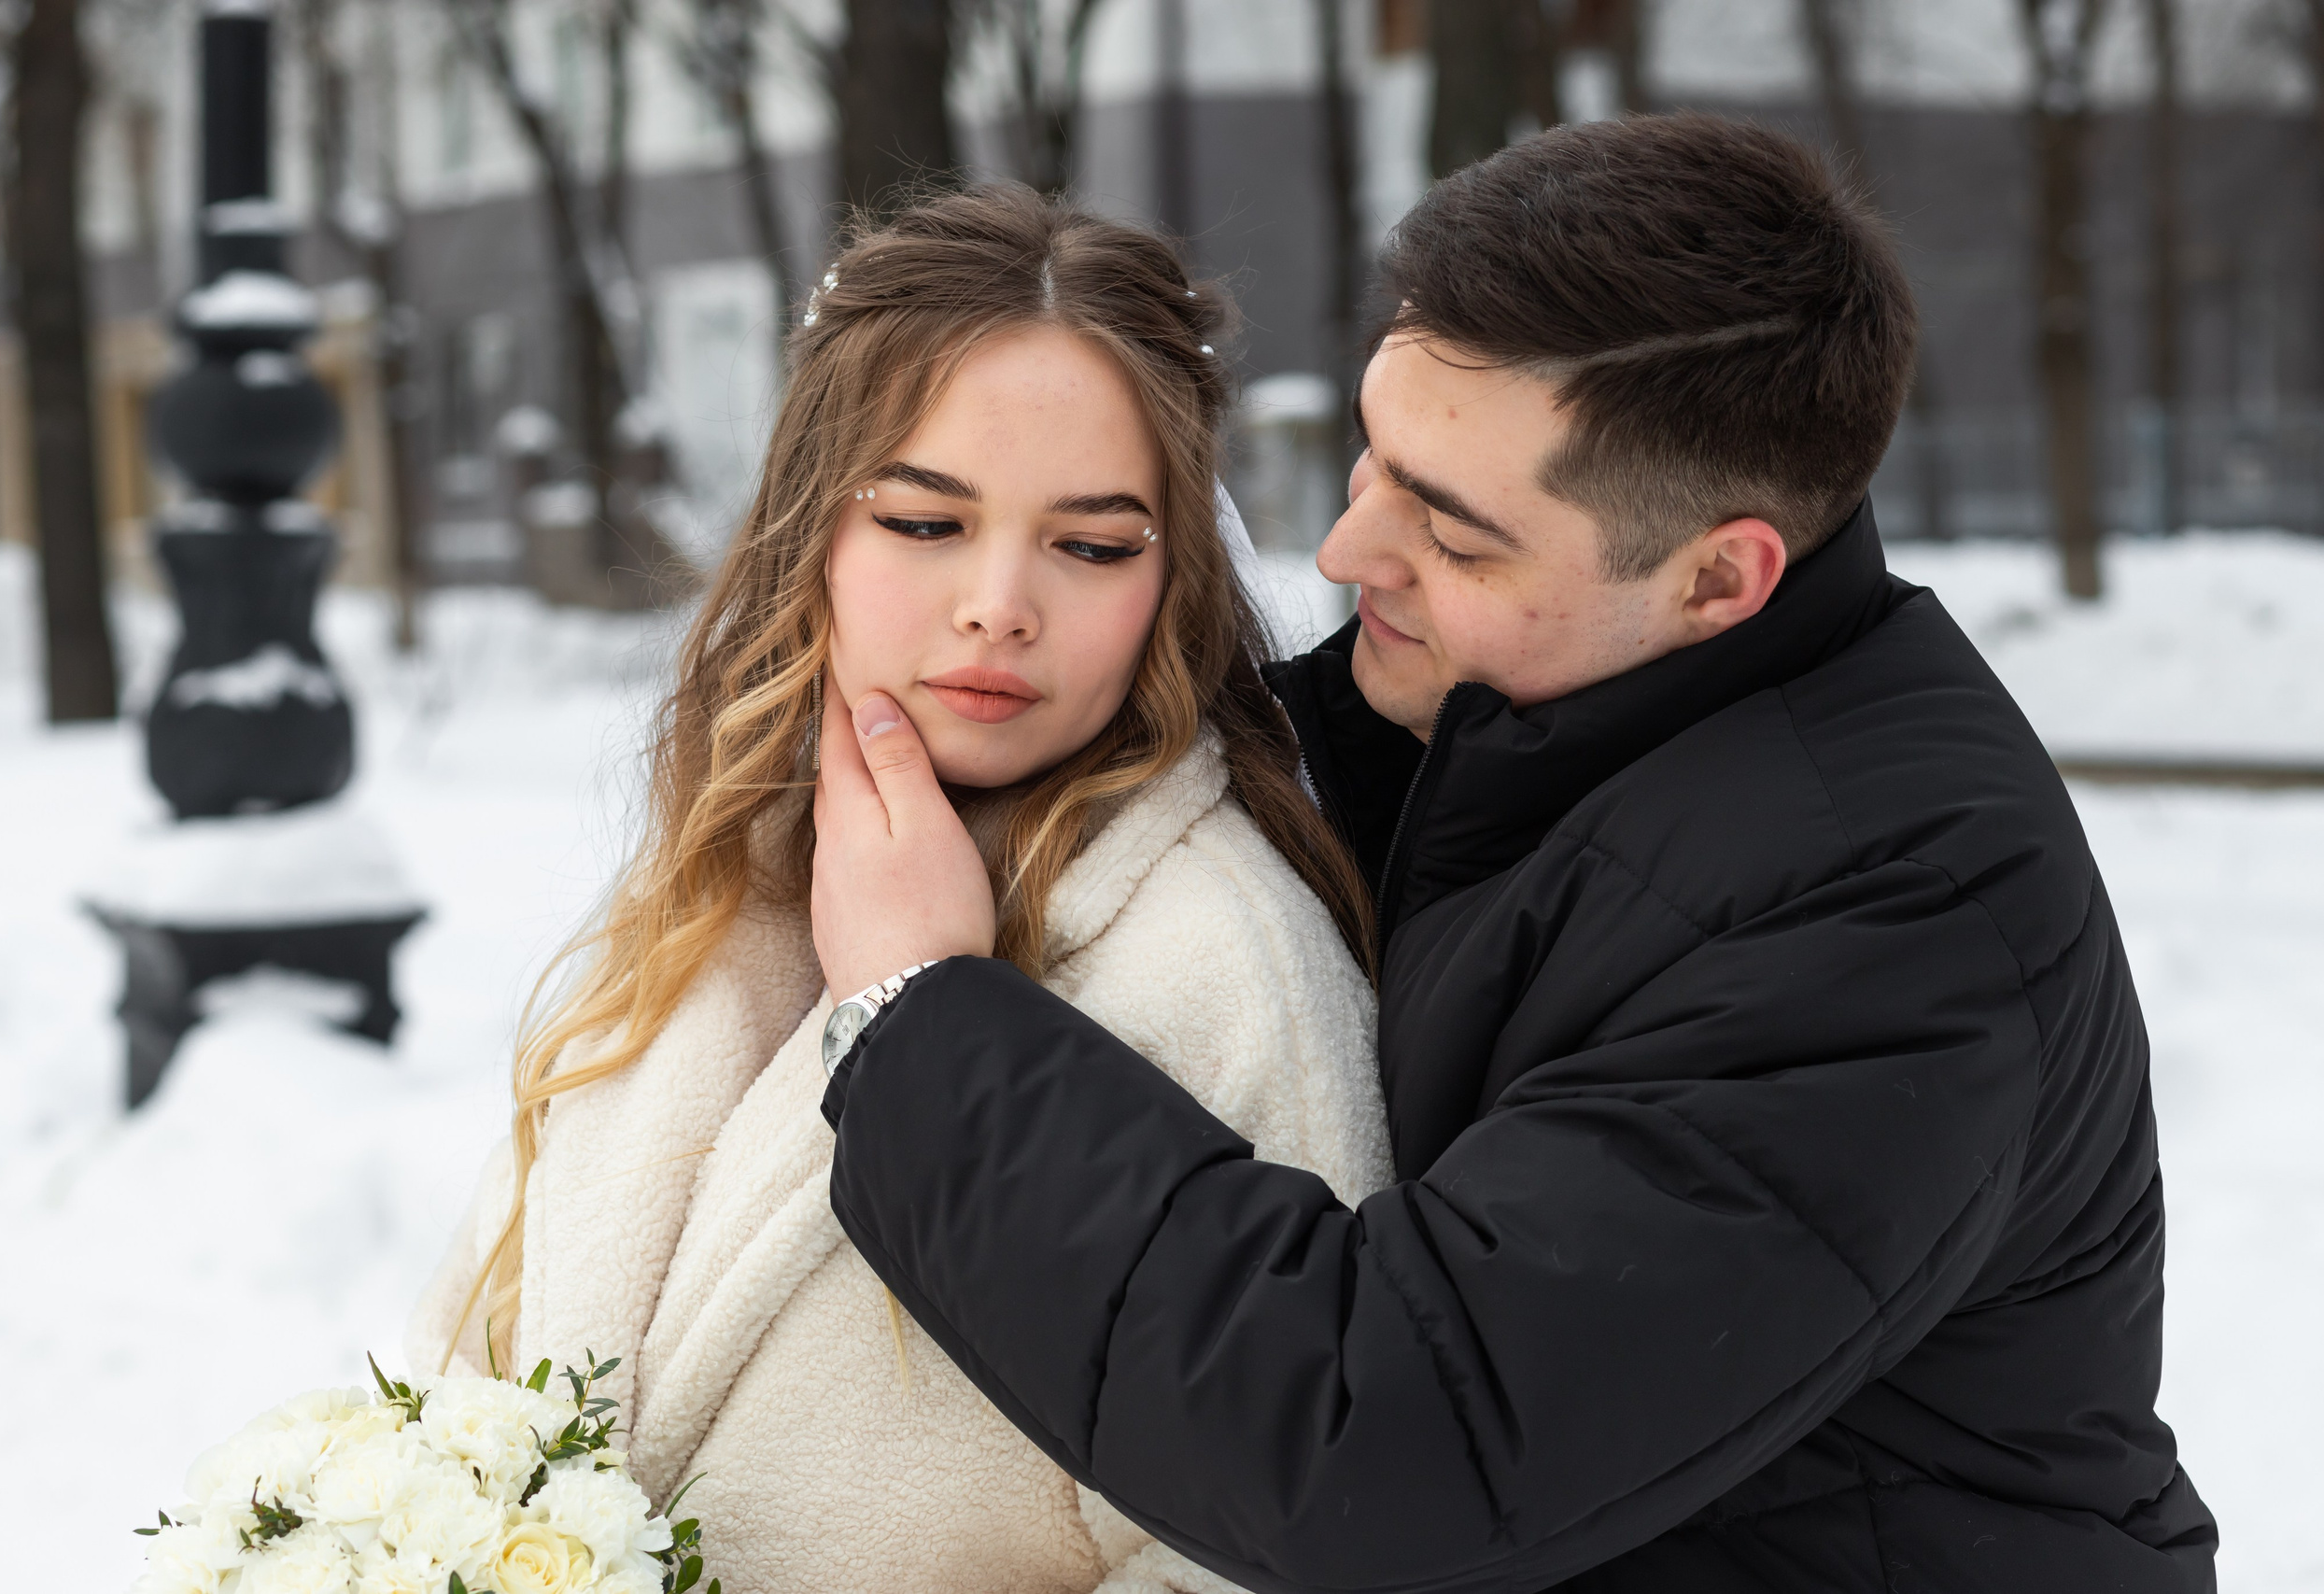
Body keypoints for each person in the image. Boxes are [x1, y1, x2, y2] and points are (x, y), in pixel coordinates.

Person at [809, 116, 2219, 1592]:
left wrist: (922, 1017)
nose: (1351, 554)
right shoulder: (1509, 711)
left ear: (1717, 578)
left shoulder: (1890, 917)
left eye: (1457, 536)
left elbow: (1383, 1445)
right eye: (1378, 456)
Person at [407, 184, 1394, 1594]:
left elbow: (1276, 1553)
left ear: (1172, 583)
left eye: (1093, 544)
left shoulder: (1227, 966)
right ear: (812, 530)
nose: (1000, 602)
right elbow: (471, 1398)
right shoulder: (708, 908)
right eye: (926, 521)